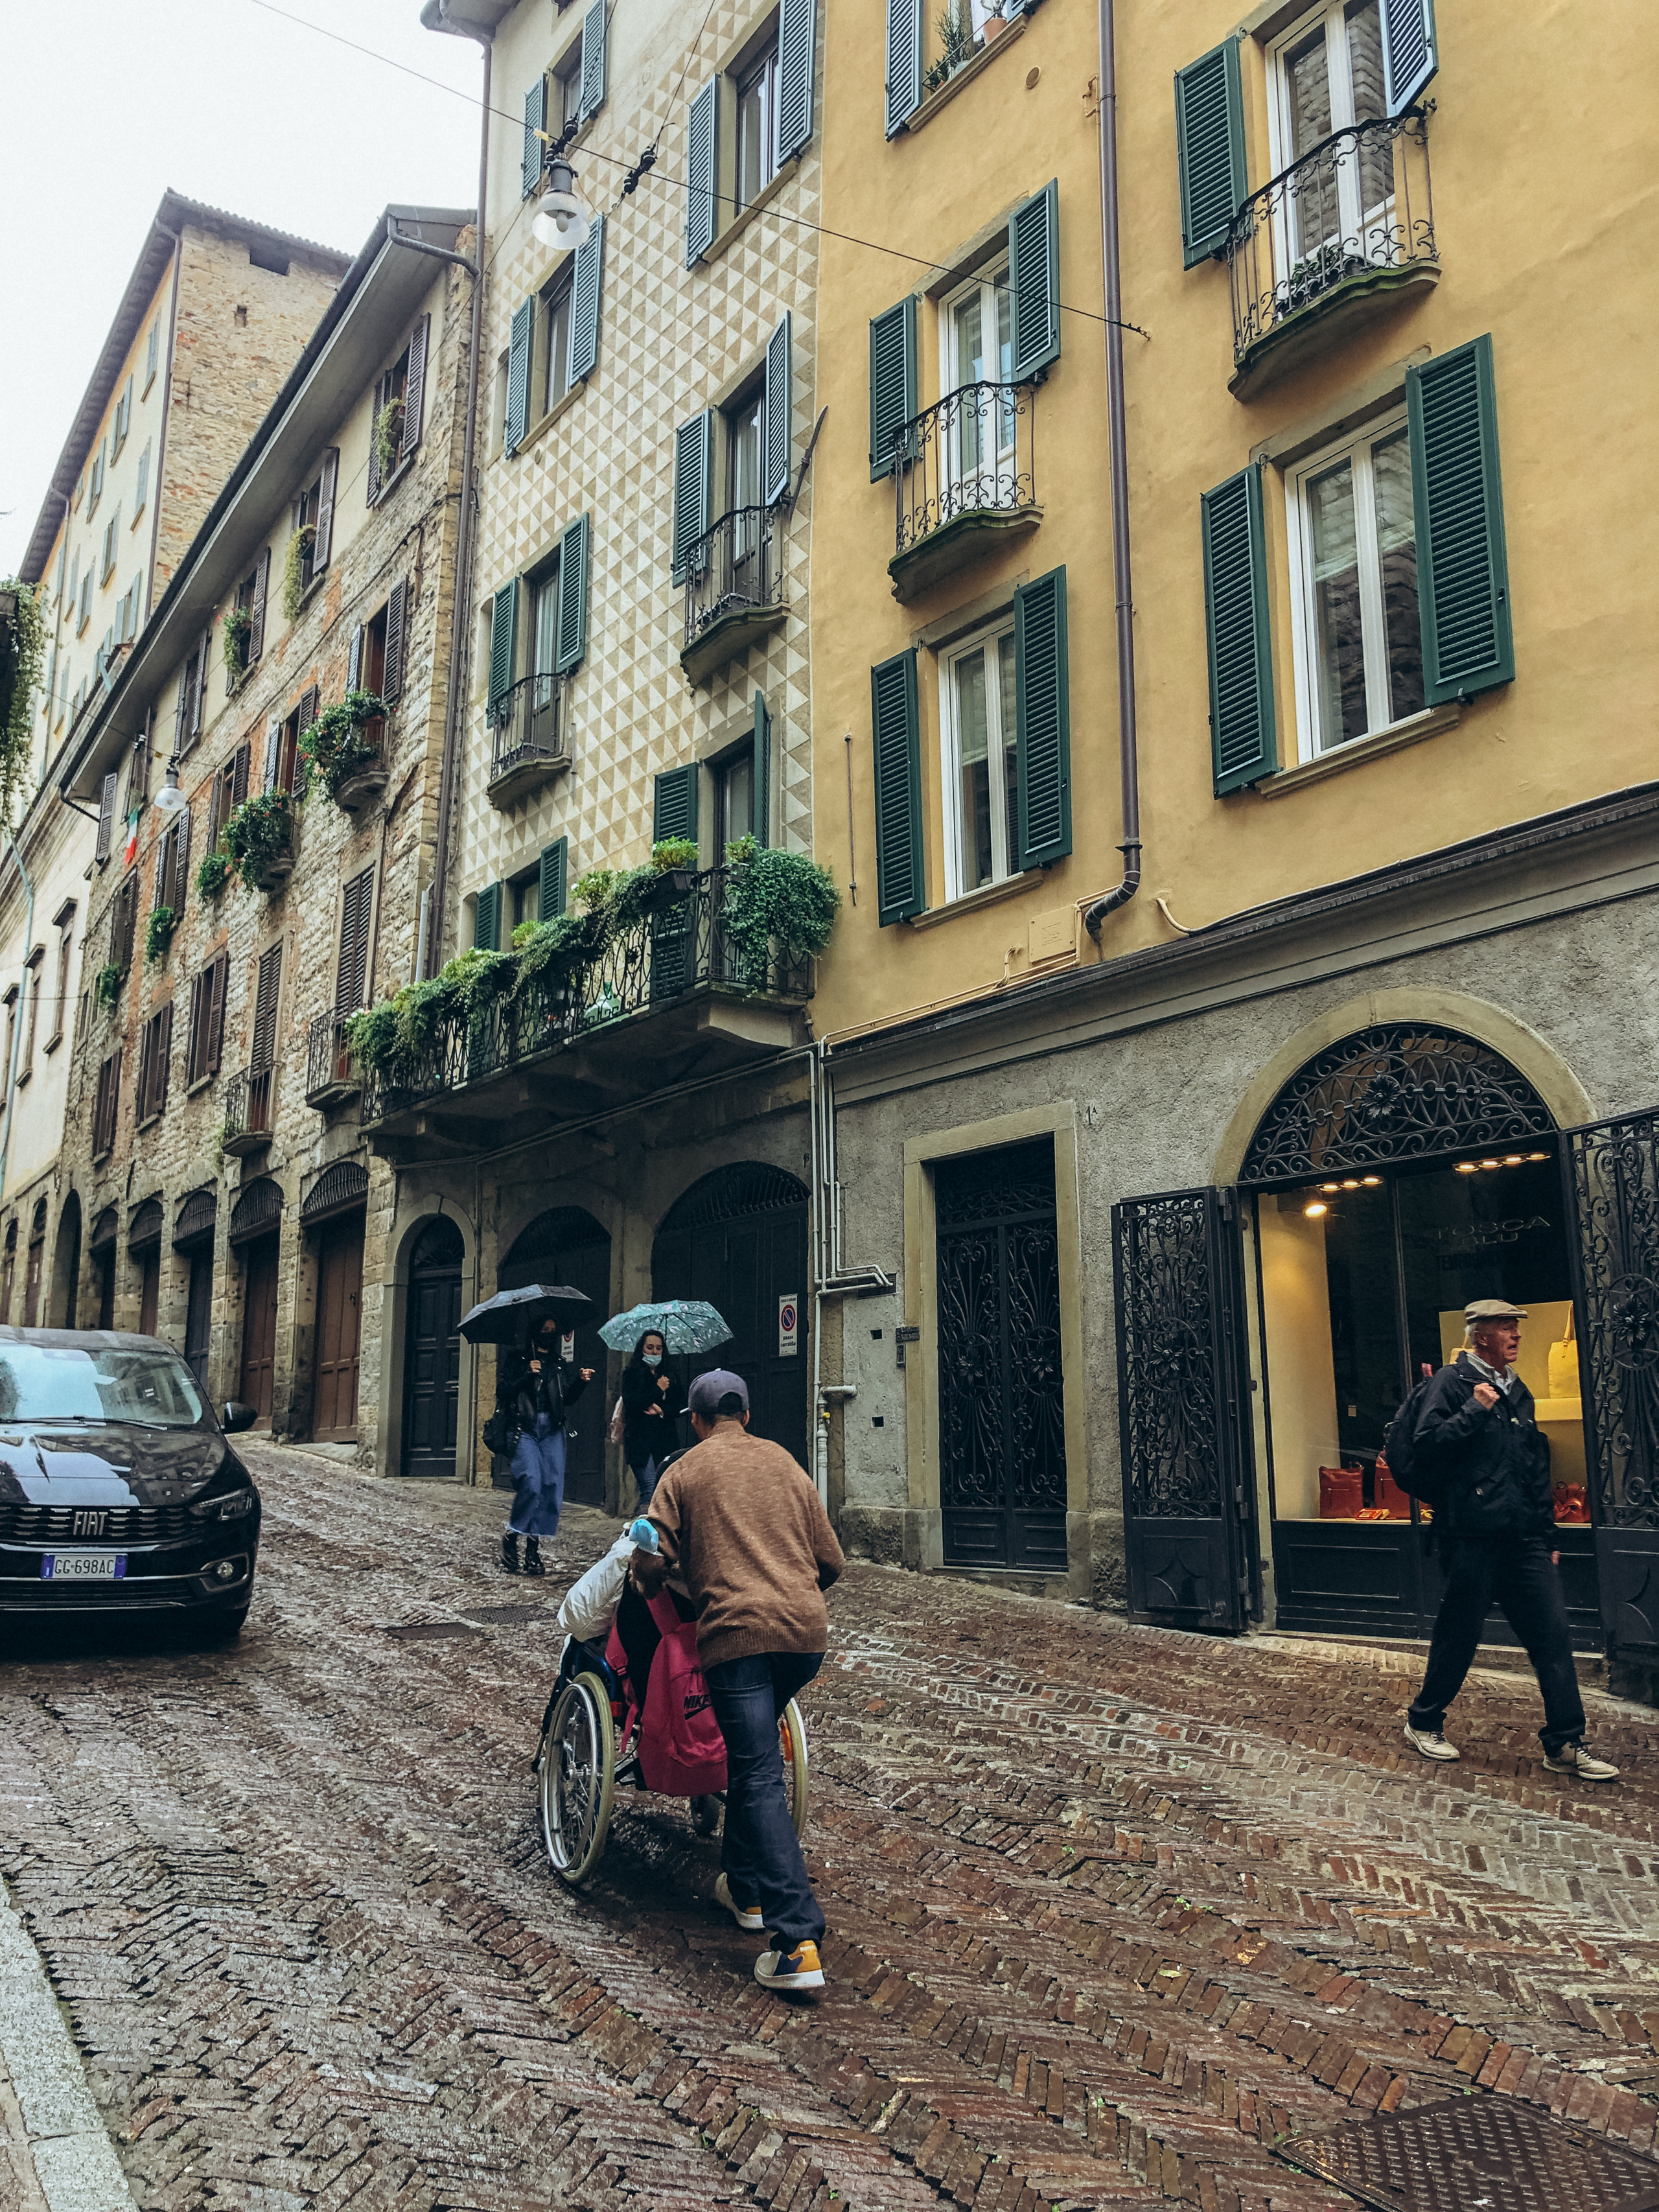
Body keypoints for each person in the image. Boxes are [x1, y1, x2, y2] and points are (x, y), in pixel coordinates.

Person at [635, 1368, 844, 1992]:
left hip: (735, 1638)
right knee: (753, 1758)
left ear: (697, 1421)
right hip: (804, 1638)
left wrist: (651, 1581)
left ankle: (796, 1940)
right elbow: (830, 1560)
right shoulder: (784, 1462)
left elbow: (650, 1561)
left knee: (755, 1772)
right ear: (745, 1414)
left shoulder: (685, 1471)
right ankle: (746, 1888)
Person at [1402, 1298, 1618, 1781]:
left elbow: (1533, 1465)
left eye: (1516, 1328)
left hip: (1524, 1539)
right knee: (1459, 1635)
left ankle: (1564, 1741)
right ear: (1480, 1335)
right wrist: (1473, 1411)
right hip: (1471, 1536)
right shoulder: (1450, 1383)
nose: (1516, 1335)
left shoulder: (1518, 1390)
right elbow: (1427, 1445)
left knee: (1553, 1635)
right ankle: (1424, 1720)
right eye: (1506, 1327)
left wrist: (1547, 1531)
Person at [495, 1314, 593, 1576]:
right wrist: (526, 1375)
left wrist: (581, 1383)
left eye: (553, 1330)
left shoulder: (559, 1364)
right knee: (531, 1482)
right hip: (523, 1427)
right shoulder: (518, 1358)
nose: (549, 1334)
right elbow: (503, 1391)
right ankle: (512, 1533)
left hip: (552, 1428)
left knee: (550, 1487)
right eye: (544, 1330)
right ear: (535, 1332)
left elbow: (566, 1399)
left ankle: (532, 1549)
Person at [620, 1329, 686, 1511]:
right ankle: (642, 1533)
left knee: (664, 1489)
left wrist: (662, 1410)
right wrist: (657, 1389)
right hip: (640, 1440)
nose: (655, 1352)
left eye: (659, 1348)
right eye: (650, 1348)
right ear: (641, 1349)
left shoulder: (670, 1374)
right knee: (648, 1488)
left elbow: (681, 1405)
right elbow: (633, 1403)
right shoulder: (632, 1374)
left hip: (665, 1440)